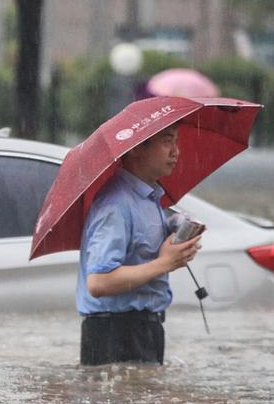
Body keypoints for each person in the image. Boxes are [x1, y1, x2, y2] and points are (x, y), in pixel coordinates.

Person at [77, 124, 202, 366]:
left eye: (176, 141)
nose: (175, 151)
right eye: (167, 141)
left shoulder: (149, 197)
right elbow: (98, 282)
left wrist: (176, 232)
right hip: (115, 332)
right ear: (136, 149)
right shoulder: (115, 204)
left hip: (144, 327)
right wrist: (165, 263)